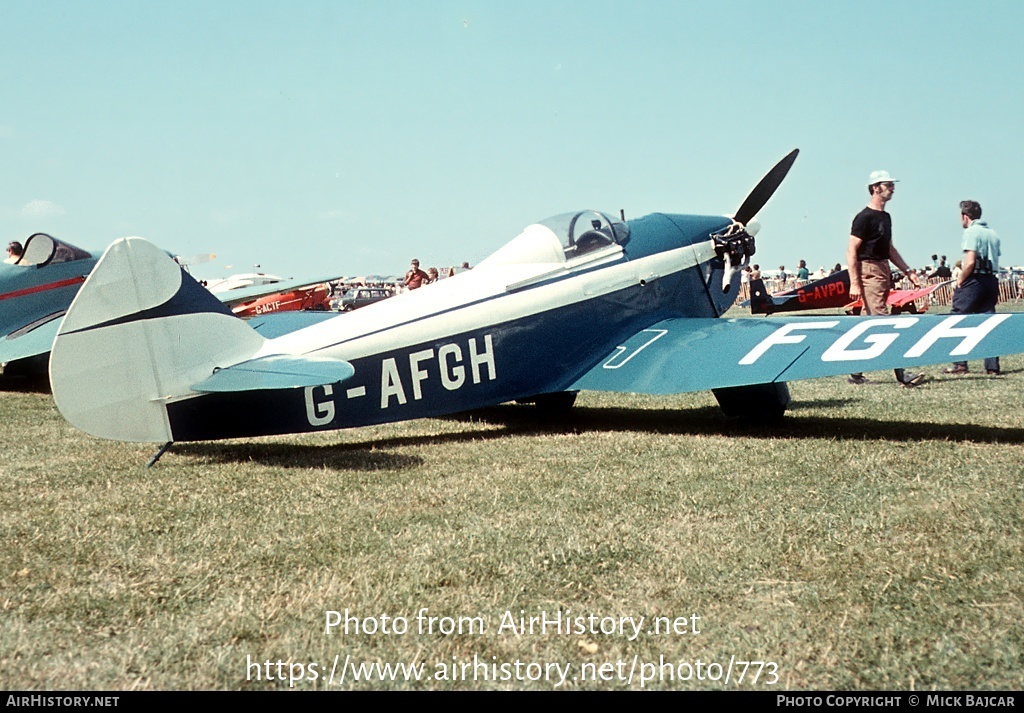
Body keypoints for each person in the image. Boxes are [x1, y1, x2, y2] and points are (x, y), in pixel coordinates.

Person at [847, 170, 924, 387]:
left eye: (892, 185)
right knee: (882, 320)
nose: (892, 189)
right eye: (888, 185)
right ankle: (902, 373)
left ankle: (854, 373)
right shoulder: (864, 217)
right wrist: (854, 281)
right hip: (869, 270)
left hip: (882, 269)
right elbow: (852, 249)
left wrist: (908, 270)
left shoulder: (885, 217)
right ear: (875, 188)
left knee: (868, 321)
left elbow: (889, 248)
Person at [944, 200, 1001, 375]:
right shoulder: (993, 234)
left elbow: (970, 261)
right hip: (991, 279)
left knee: (958, 318)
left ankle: (959, 363)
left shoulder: (971, 232)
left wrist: (961, 279)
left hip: (974, 279)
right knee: (988, 321)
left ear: (964, 216)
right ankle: (992, 366)